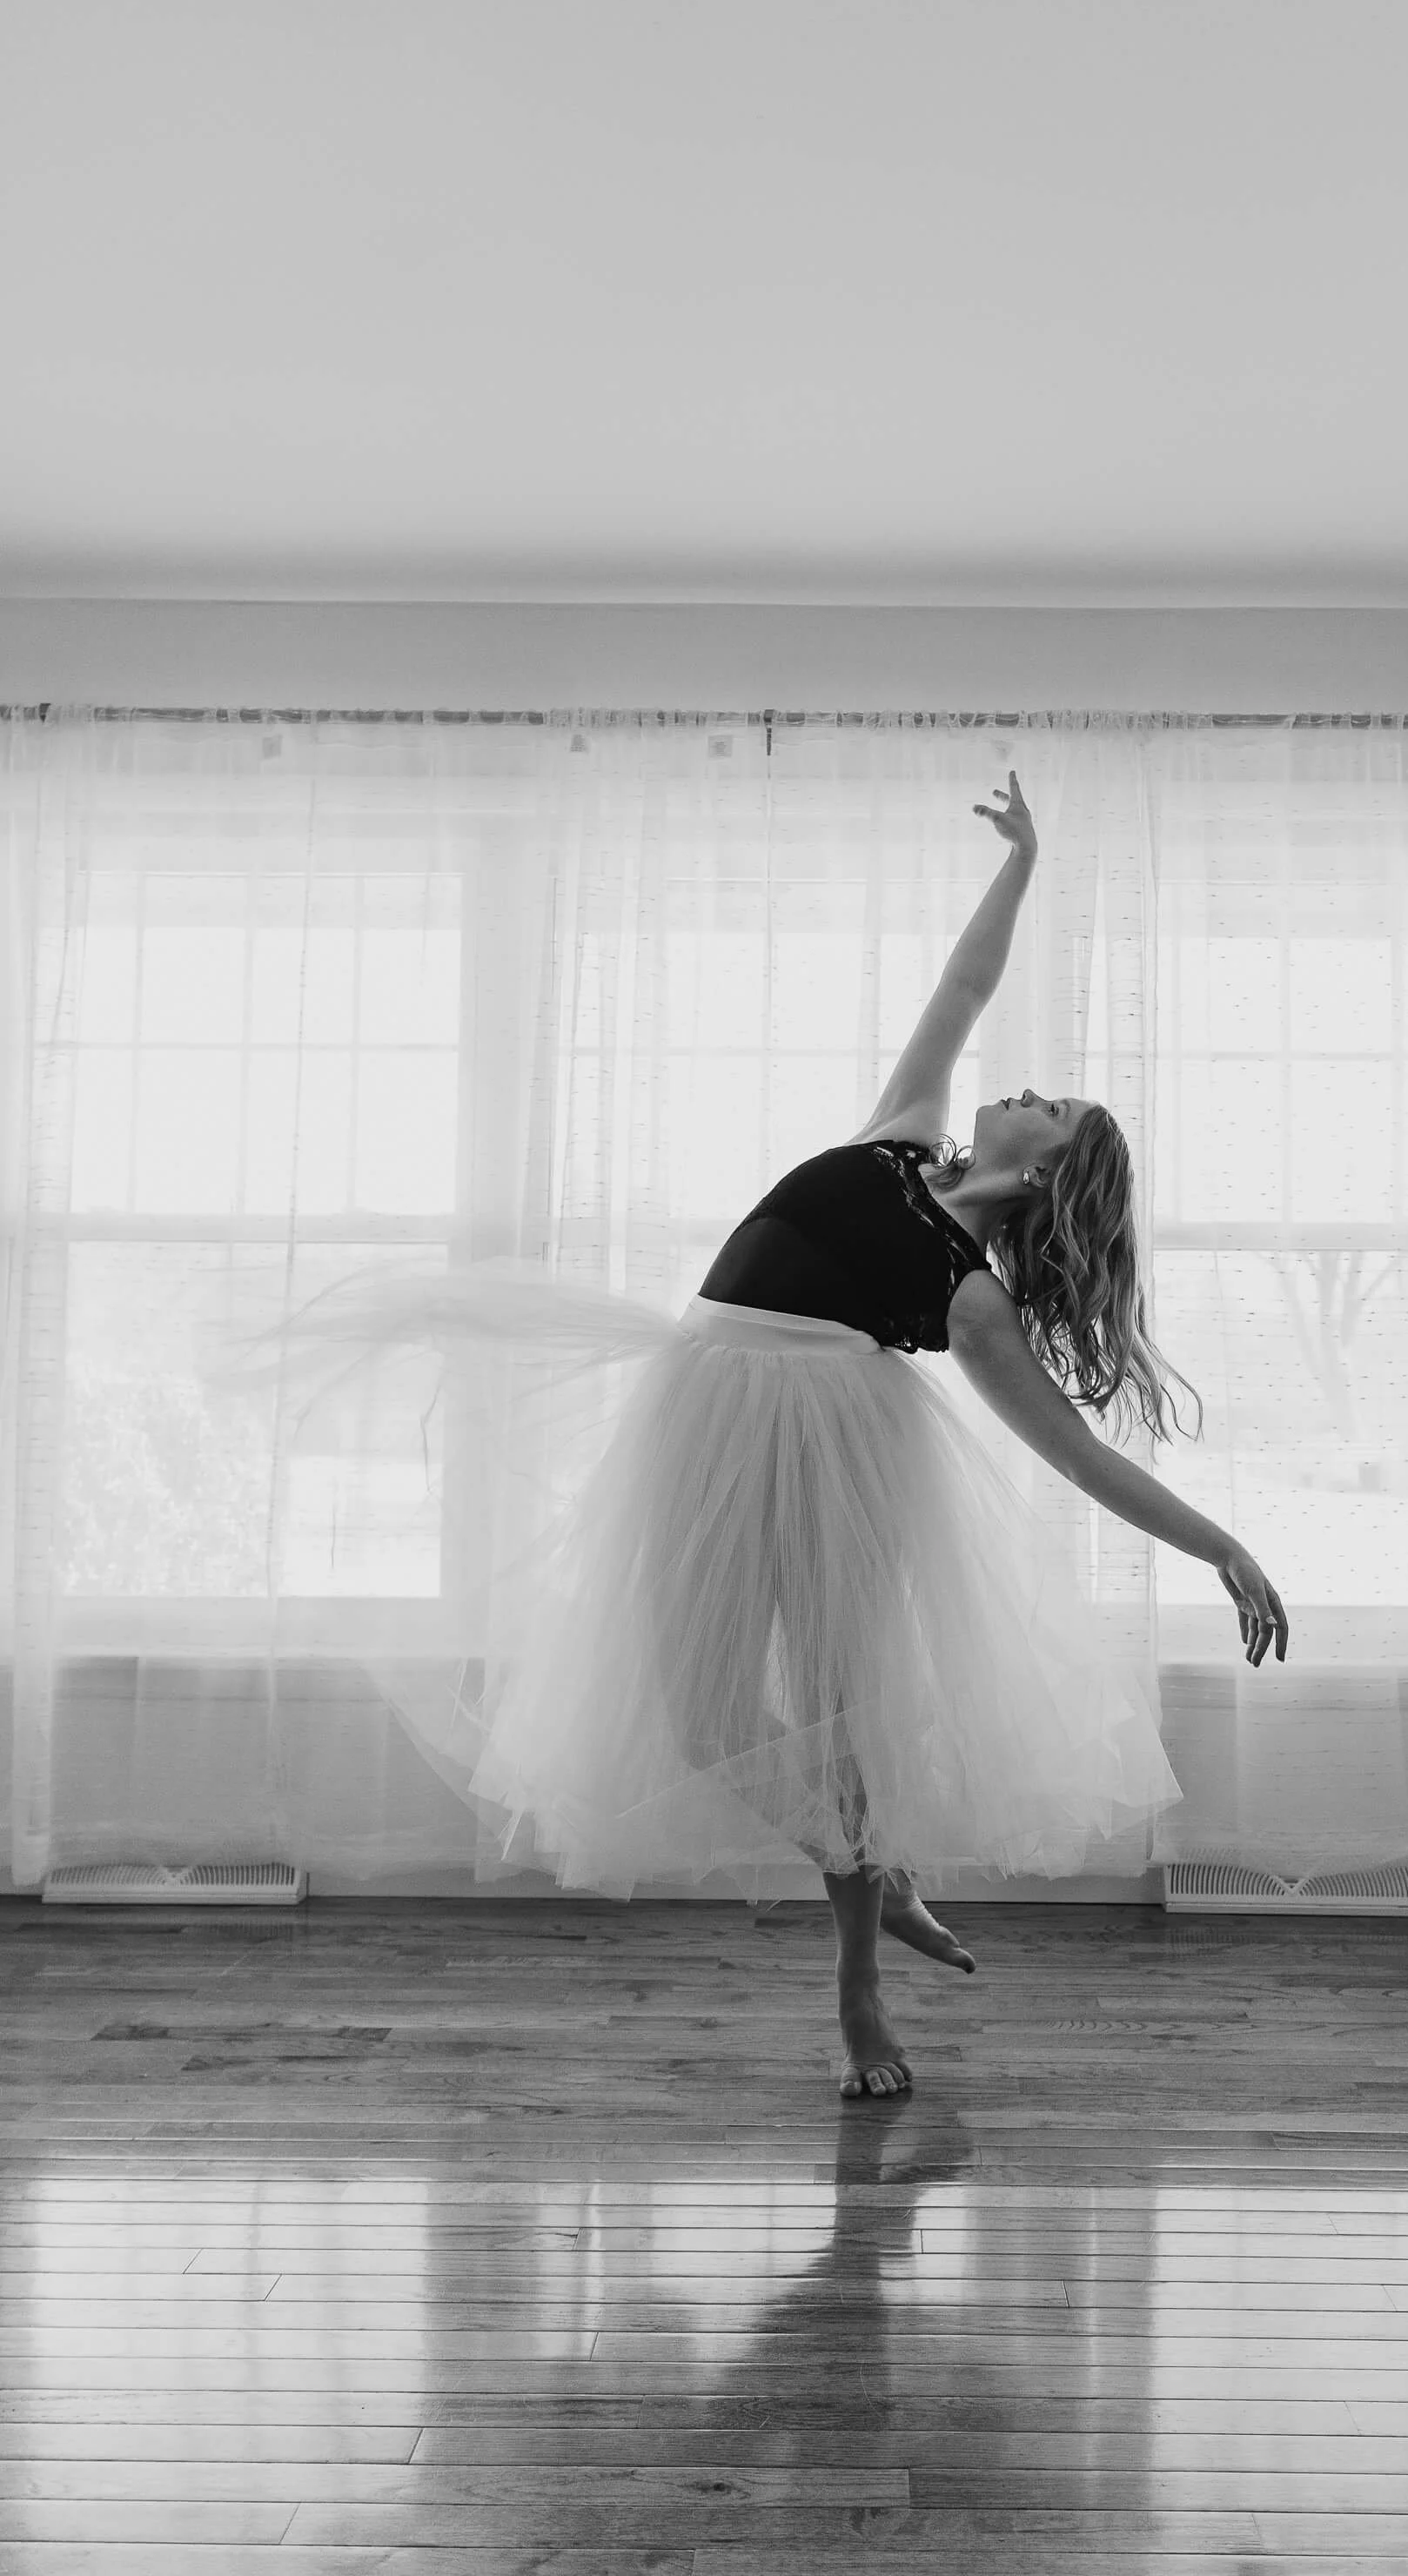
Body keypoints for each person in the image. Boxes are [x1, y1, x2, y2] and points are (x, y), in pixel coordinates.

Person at [218, 769, 1287, 2103]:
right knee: (703, 1705)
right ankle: (872, 1869)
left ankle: (857, 1991)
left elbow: (1079, 1459)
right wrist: (1020, 865)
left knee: (835, 1715)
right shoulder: (903, 1140)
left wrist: (1221, 1544)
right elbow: (960, 992)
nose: (1027, 1089)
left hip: (837, 1457)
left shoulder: (971, 1298)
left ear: (1057, 1169)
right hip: (705, 1415)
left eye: (1054, 1105)